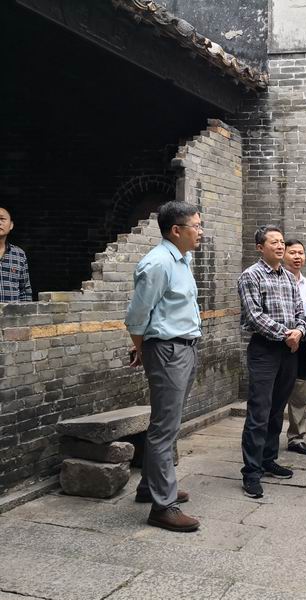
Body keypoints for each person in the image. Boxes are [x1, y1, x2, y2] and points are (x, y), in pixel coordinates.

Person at [125, 200, 203, 532]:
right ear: (175, 230)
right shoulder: (158, 264)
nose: (200, 231)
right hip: (168, 351)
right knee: (163, 428)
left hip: (183, 347)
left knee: (168, 423)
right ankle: (163, 507)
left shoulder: (181, 260)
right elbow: (136, 316)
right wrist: (143, 350)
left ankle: (150, 487)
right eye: (196, 226)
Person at [239, 226, 306, 499]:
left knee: (277, 409)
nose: (280, 246)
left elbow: (301, 312)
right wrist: (286, 334)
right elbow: (254, 316)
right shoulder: (251, 275)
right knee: (259, 411)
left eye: (282, 242)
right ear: (260, 247)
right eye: (274, 242)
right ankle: (251, 472)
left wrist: (299, 332)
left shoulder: (289, 278)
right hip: (265, 350)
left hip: (290, 350)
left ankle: (268, 459)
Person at [283, 238, 306, 456]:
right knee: (274, 392)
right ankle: (266, 436)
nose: (297, 257)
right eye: (292, 252)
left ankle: (296, 437)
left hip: (301, 343)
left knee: (299, 393)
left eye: (300, 253)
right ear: (283, 255)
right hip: (278, 341)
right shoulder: (276, 280)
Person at [0, 207, 32, 302]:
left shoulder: (19, 254)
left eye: (2, 219)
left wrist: (26, 310)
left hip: (13, 311)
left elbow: (25, 291)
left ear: (11, 225)